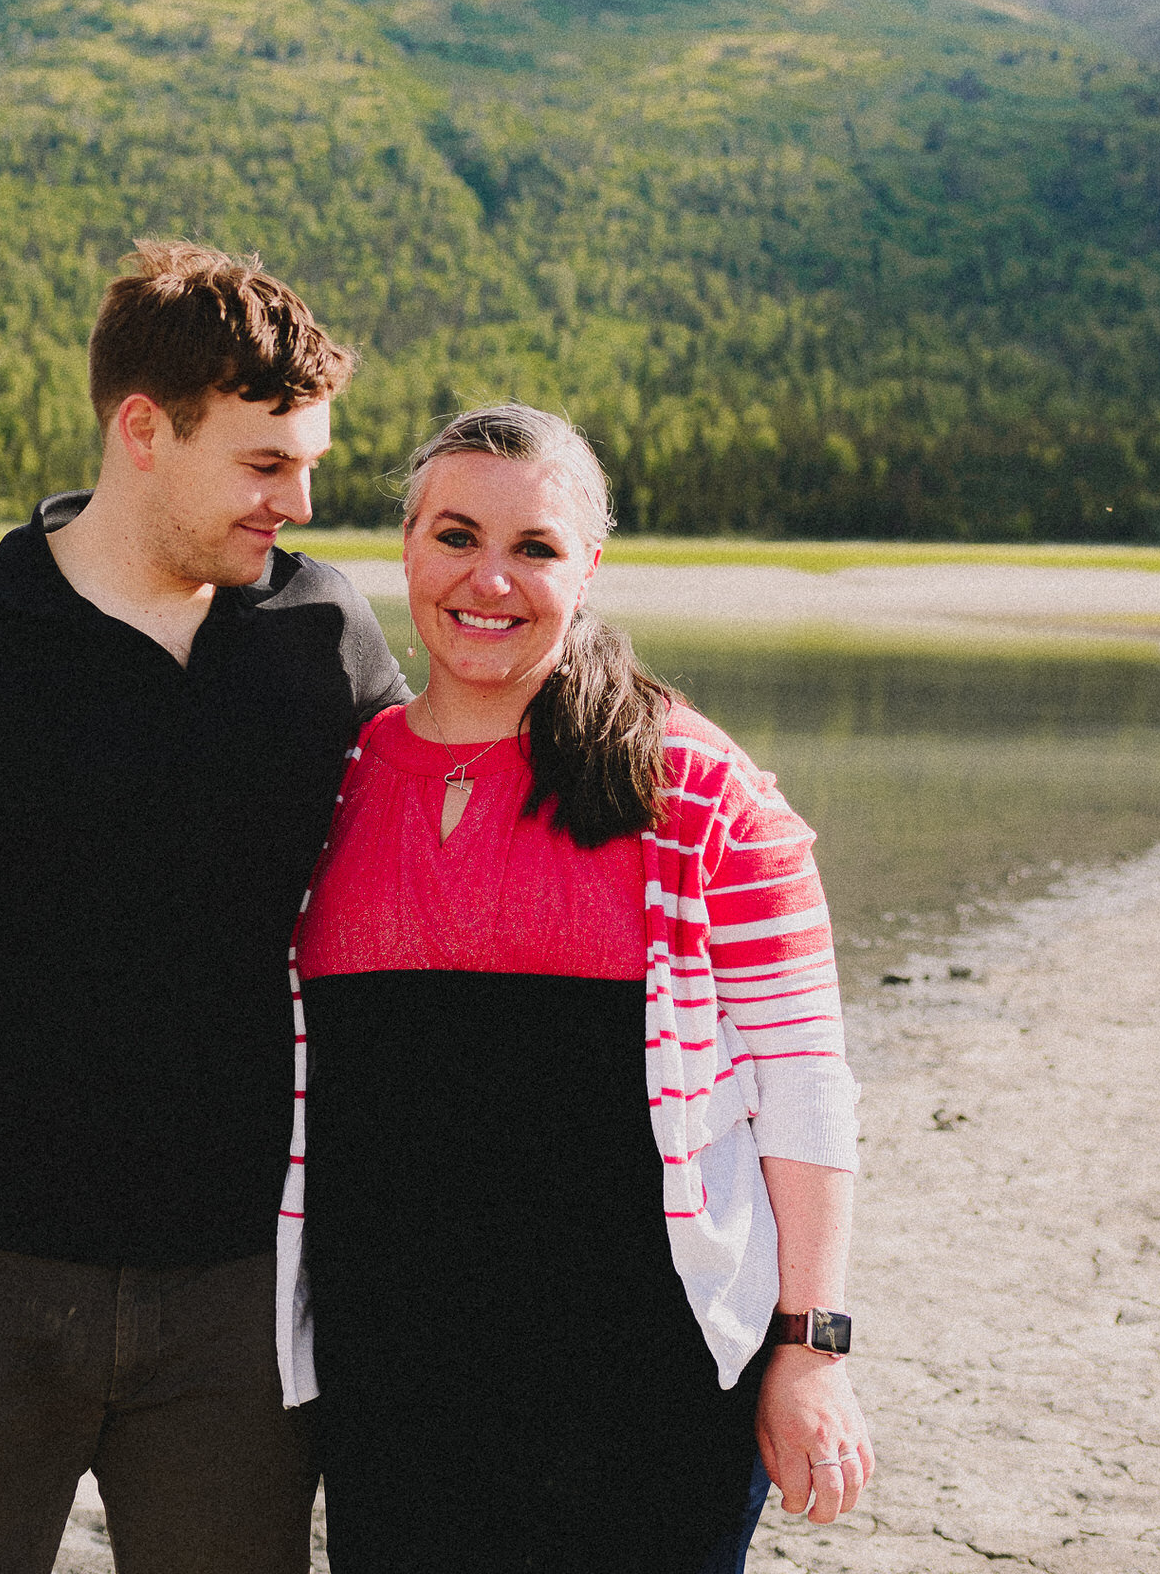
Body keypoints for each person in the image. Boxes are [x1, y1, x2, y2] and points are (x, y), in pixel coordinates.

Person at [0, 241, 410, 1574]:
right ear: (141, 431)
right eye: (263, 464)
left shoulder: (324, 634)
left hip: (240, 1303)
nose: (297, 500)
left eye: (308, 464)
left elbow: (442, 859)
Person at [276, 403, 874, 1574]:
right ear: (405, 545)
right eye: (455, 536)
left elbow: (805, 1078)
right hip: (397, 1386)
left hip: (648, 1392)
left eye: (535, 548)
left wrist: (813, 1350)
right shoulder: (333, 784)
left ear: (588, 569)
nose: (488, 578)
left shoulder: (692, 786)